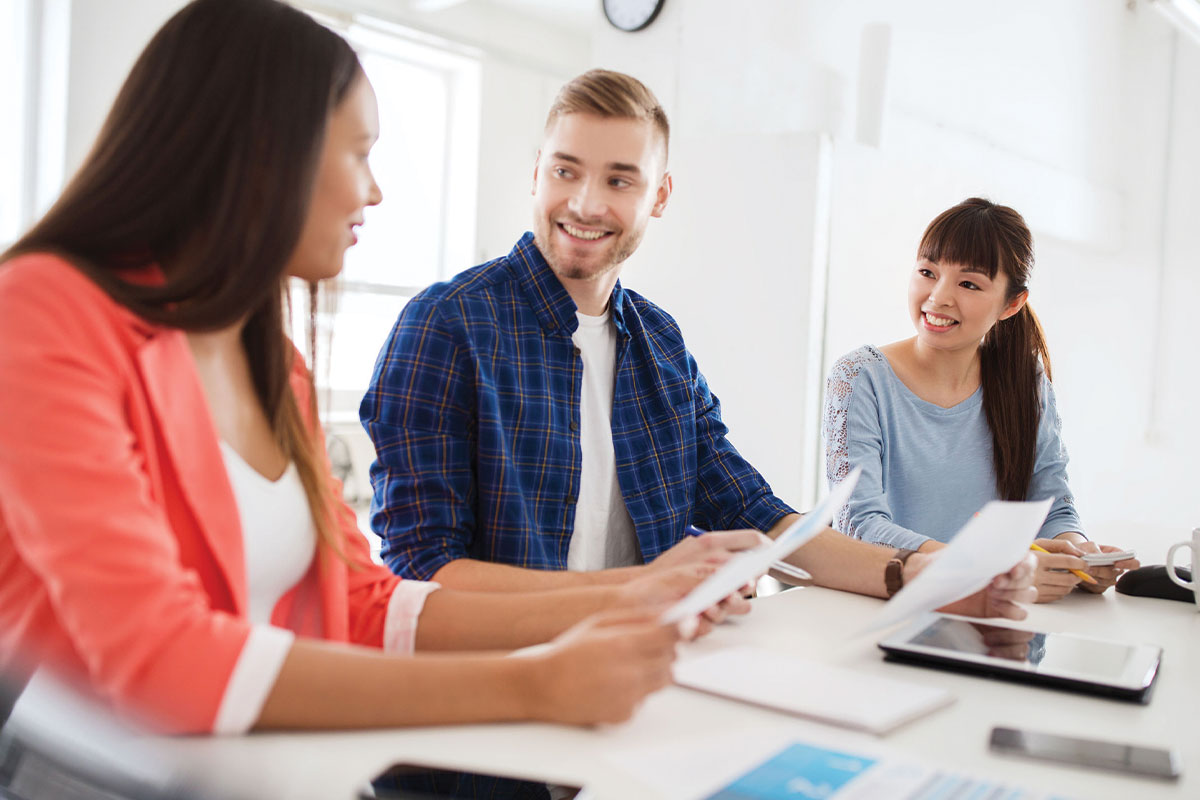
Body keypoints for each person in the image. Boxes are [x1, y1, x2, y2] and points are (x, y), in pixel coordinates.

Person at [0, 0, 719, 740]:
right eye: (358, 153)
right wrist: (532, 682)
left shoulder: (276, 364)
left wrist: (636, 592)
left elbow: (362, 602)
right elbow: (158, 655)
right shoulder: (44, 308)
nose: (374, 191)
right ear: (264, 153)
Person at [362, 71, 1036, 615]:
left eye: (620, 179)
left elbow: (757, 516)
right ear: (536, 171)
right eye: (566, 171)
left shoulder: (657, 343)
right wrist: (641, 593)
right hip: (487, 738)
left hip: (641, 693)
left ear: (659, 196)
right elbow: (421, 572)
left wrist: (921, 572)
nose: (586, 202)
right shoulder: (446, 326)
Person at [823, 198, 1139, 602]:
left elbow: (1052, 507)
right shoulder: (860, 377)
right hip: (888, 609)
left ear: (1012, 304)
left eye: (968, 283)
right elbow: (858, 525)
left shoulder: (1025, 380)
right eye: (927, 272)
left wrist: (1078, 554)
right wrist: (986, 568)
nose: (938, 297)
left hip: (1000, 617)